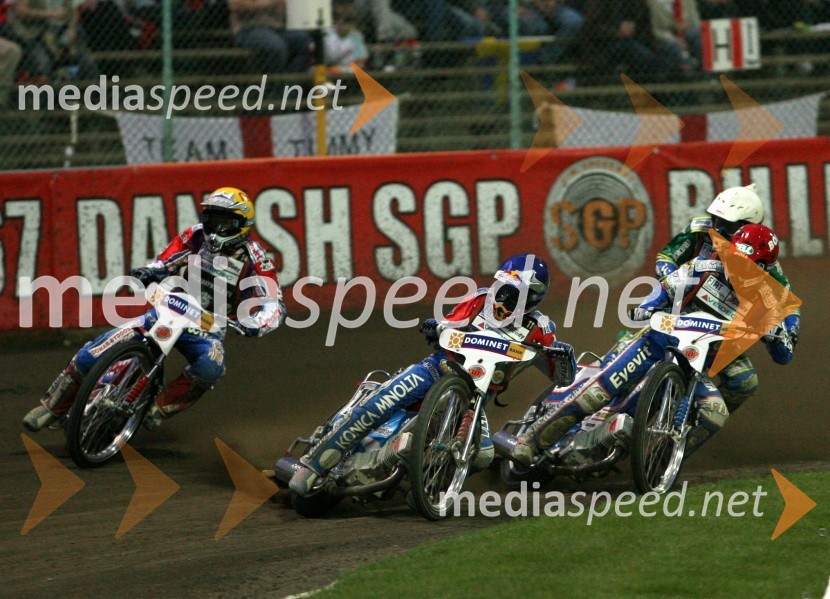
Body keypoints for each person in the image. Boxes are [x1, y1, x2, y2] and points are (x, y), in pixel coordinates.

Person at [290, 253, 577, 496]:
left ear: (531, 298)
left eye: (512, 293)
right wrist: (435, 327)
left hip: (474, 398)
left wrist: (563, 357)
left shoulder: (540, 328)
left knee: (483, 455)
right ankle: (314, 465)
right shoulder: (479, 299)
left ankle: (424, 483)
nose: (502, 297)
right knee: (380, 404)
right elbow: (447, 324)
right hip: (435, 369)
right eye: (502, 286)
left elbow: (562, 378)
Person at [508, 223, 798, 465]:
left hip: (696, 367)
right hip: (656, 343)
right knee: (597, 393)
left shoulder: (767, 300)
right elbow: (666, 288)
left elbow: (784, 355)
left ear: (763, 268)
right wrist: (647, 307)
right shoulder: (703, 266)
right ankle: (530, 440)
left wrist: (776, 335)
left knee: (715, 411)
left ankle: (659, 462)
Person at [23, 187, 287, 432]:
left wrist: (256, 324)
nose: (217, 228)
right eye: (213, 219)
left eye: (226, 222)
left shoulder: (257, 259)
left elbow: (274, 305)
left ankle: (160, 407)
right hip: (173, 308)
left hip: (210, 326)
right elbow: (167, 259)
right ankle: (51, 407)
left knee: (211, 368)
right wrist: (150, 271)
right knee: (90, 354)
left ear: (242, 225)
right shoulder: (196, 235)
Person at [655, 183, 799, 412]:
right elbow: (666, 257)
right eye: (716, 220)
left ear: (748, 226)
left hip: (721, 332)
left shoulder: (765, 259)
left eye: (728, 225)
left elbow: (787, 304)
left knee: (745, 382)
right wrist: (671, 281)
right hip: (679, 309)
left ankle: (691, 419)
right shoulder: (700, 229)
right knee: (645, 336)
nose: (718, 229)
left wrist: (786, 333)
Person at [228, 0, 312, 74]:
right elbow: (235, 5)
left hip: (277, 28)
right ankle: (274, 85)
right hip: (249, 29)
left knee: (304, 41)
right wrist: (269, 2)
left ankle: (291, 84)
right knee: (276, 46)